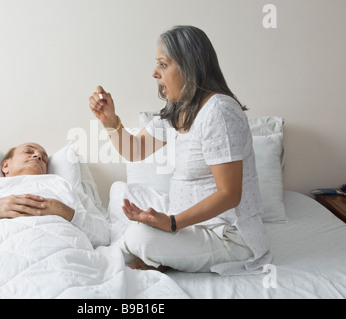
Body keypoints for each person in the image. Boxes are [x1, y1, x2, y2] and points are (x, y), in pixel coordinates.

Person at [89, 25, 272, 275]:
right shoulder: (181, 108)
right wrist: (110, 122)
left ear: (190, 66)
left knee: (141, 237)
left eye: (163, 65)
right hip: (186, 221)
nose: (154, 73)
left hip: (227, 236)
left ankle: (126, 258)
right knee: (124, 195)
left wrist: (172, 224)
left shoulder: (219, 111)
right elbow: (135, 150)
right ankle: (158, 254)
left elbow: (229, 194)